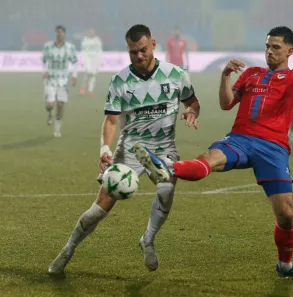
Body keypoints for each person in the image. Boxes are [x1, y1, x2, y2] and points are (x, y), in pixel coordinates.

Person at [133, 26, 293, 281]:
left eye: (276, 48)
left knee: (286, 214)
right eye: (267, 46)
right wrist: (225, 75)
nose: (269, 51)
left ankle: (285, 265)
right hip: (240, 139)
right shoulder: (251, 74)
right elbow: (226, 104)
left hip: (273, 148)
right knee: (209, 159)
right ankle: (167, 169)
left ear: (289, 51)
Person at [48, 24, 200, 275]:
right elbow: (110, 120)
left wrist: (192, 111)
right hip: (131, 150)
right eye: (132, 52)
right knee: (99, 209)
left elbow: (192, 101)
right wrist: (104, 148)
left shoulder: (176, 74)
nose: (139, 56)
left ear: (152, 44)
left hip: (163, 149)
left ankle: (148, 239)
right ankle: (68, 250)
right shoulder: (120, 81)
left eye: (142, 50)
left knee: (166, 191)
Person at [42, 25, 78, 137]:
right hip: (51, 80)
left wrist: (74, 75)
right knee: (50, 105)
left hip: (63, 81)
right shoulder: (48, 46)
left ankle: (57, 129)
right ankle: (50, 112)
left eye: (62, 32)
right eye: (58, 32)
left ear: (65, 34)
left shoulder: (70, 48)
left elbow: (75, 62)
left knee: (61, 105)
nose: (60, 34)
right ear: (56, 34)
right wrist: (45, 71)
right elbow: (44, 61)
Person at [80, 27, 103, 97]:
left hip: (95, 58)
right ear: (88, 32)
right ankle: (83, 87)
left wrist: (101, 60)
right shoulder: (85, 40)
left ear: (94, 32)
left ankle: (90, 90)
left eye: (92, 31)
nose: (91, 32)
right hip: (87, 57)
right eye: (90, 31)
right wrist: (82, 60)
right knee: (88, 72)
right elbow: (82, 50)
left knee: (93, 74)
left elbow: (100, 50)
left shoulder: (97, 40)